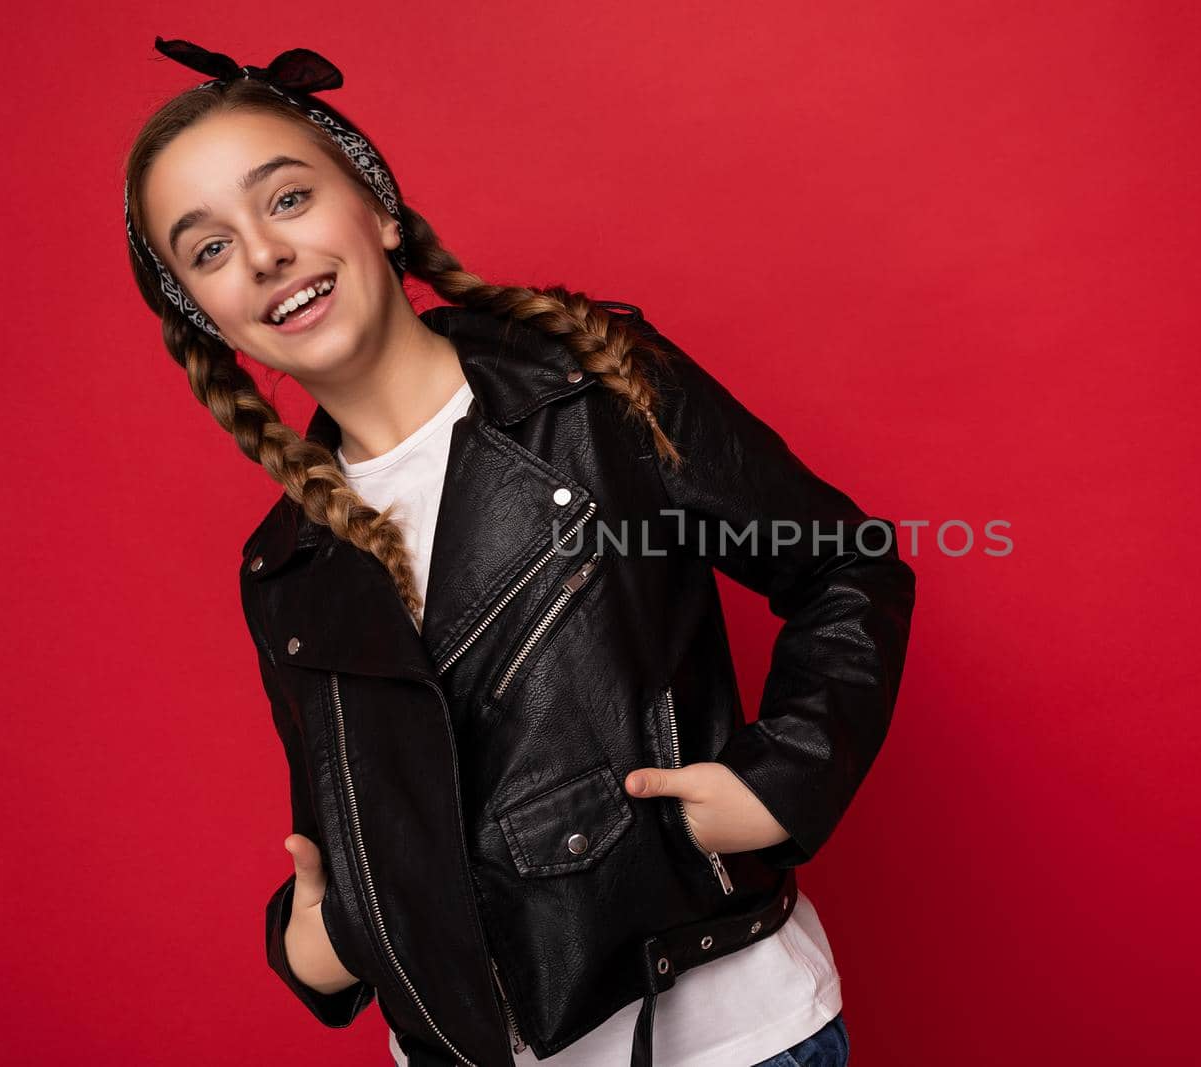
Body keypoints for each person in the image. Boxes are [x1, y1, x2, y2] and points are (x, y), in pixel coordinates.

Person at [123, 37, 912, 1067]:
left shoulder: (595, 388)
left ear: (378, 209)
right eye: (208, 248)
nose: (263, 253)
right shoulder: (284, 568)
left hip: (722, 1033)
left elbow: (845, 565)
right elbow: (364, 813)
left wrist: (778, 782)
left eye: (285, 200)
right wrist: (314, 943)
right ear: (209, 318)